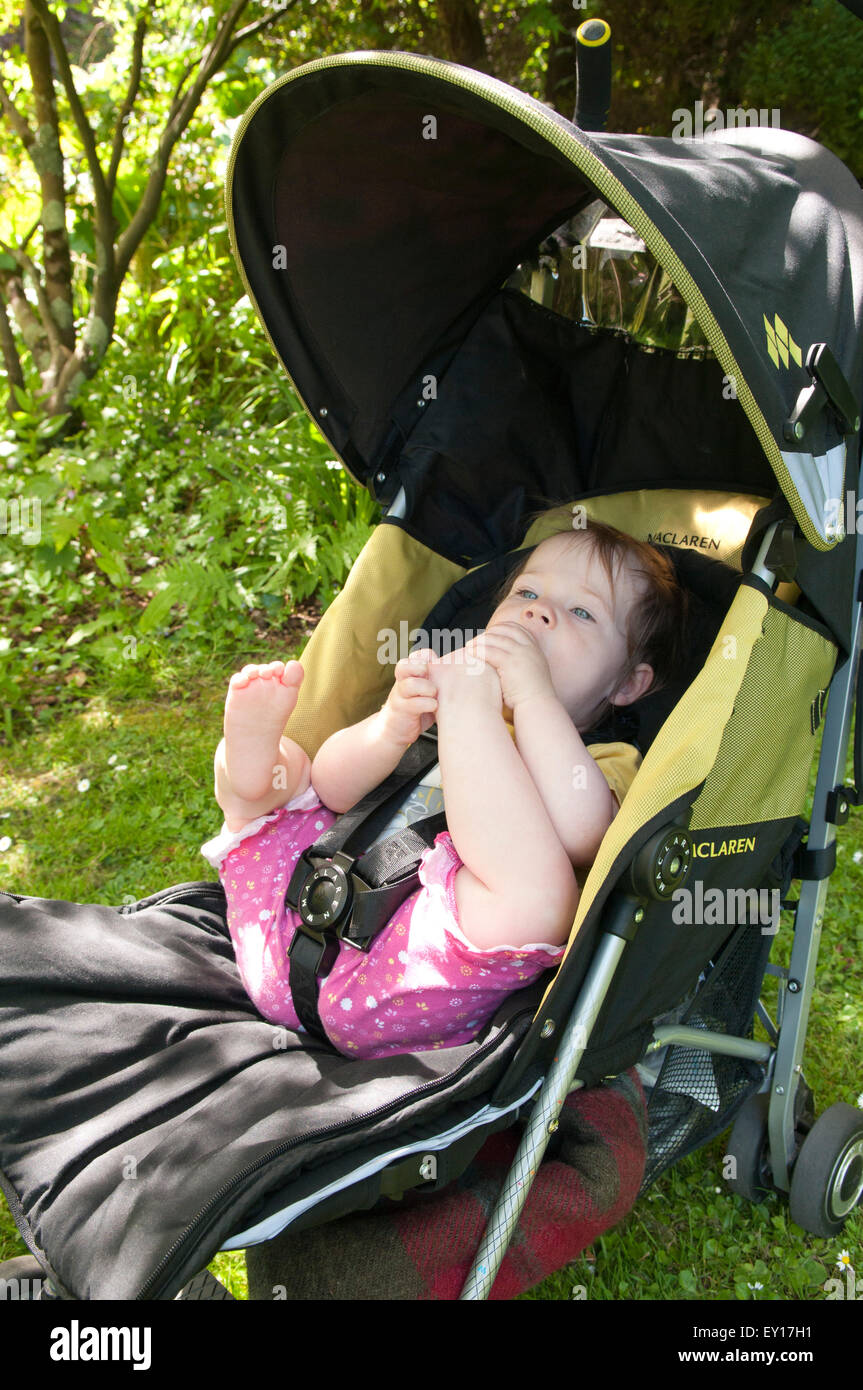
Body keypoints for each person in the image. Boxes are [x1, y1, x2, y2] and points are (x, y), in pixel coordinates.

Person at [200, 518, 685, 1057]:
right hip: (284, 912)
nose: (538, 610)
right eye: (527, 591)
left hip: (413, 971)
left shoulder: (601, 761)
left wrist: (526, 699)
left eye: (581, 612)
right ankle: (249, 765)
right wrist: (390, 727)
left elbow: (585, 836)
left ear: (627, 684)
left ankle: (255, 778)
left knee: (544, 901)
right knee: (295, 774)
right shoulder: (435, 701)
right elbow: (338, 793)